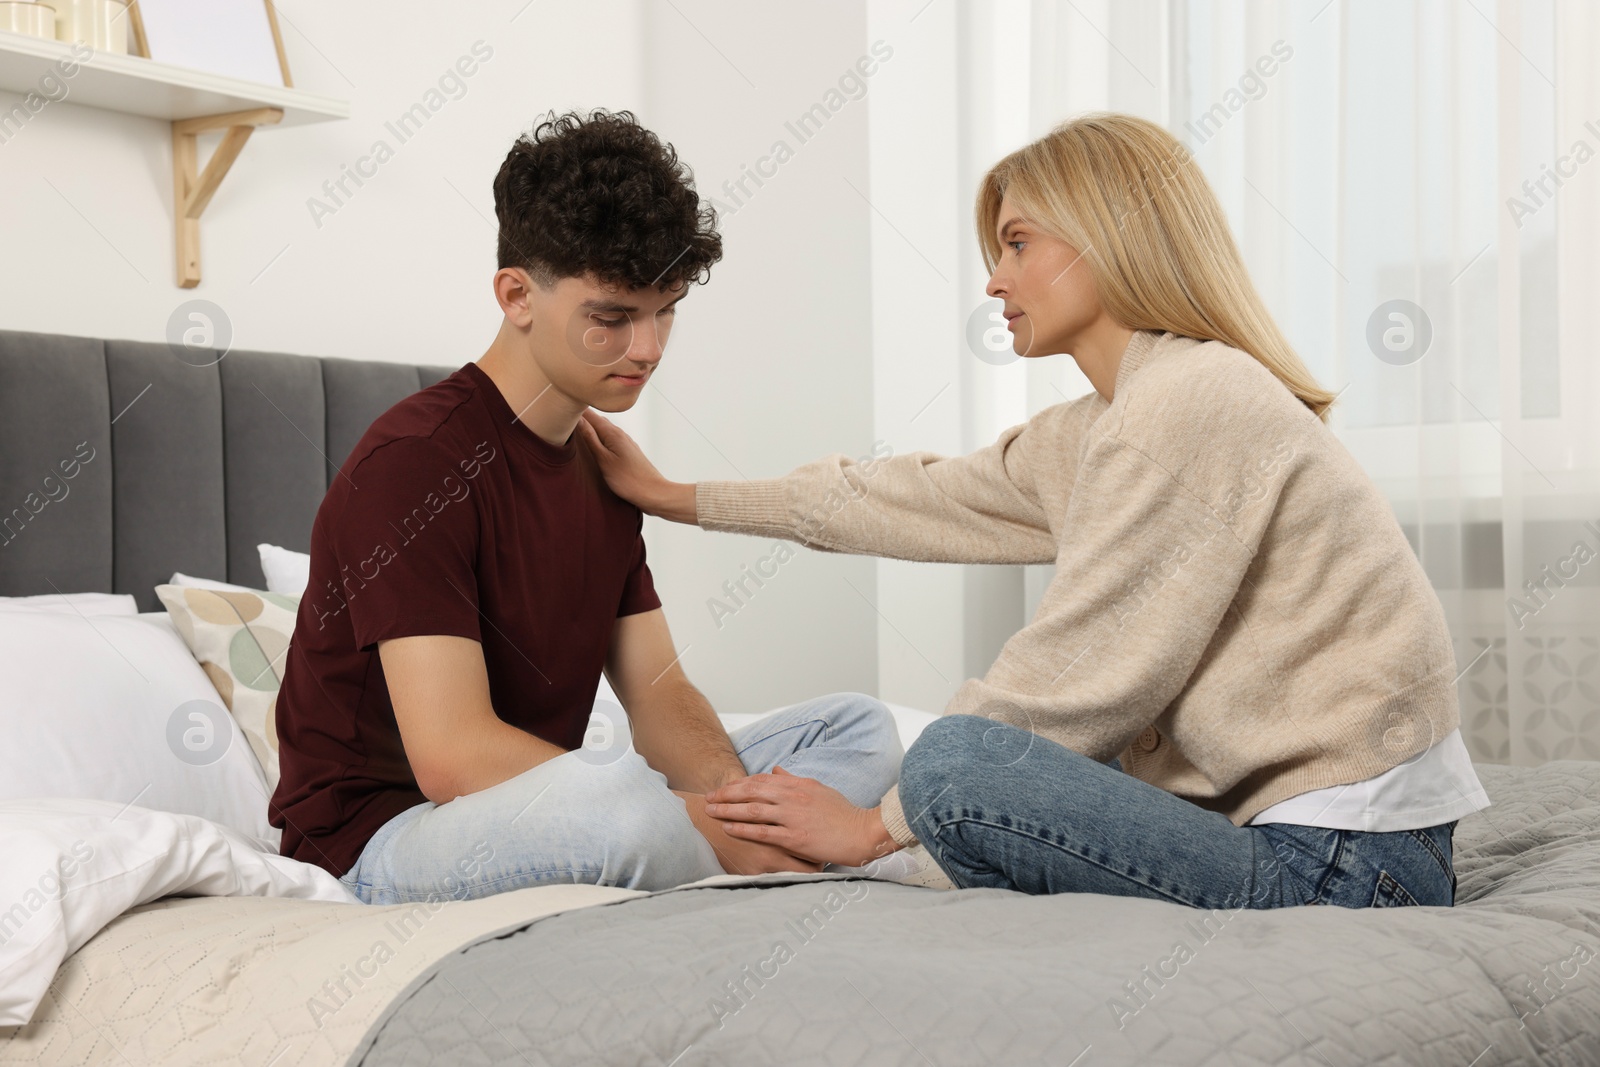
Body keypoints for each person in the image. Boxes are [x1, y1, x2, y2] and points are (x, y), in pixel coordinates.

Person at [577, 111, 1490, 909]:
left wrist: (871, 827)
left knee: (951, 760)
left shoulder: (1188, 402)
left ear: (1107, 238)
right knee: (959, 763)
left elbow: (1084, 671)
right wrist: (675, 497)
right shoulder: (1109, 421)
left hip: (1343, 865)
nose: (994, 280)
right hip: (1325, 845)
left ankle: (885, 855)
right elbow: (904, 497)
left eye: (1018, 244)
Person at [269, 110, 902, 906]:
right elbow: (453, 756)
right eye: (612, 318)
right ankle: (751, 856)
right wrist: (696, 818)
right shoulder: (414, 462)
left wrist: (732, 806)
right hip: (388, 837)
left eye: (665, 308)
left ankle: (740, 851)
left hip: (561, 798)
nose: (649, 348)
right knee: (623, 807)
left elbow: (660, 696)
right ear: (517, 295)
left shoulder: (603, 469)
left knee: (858, 727)